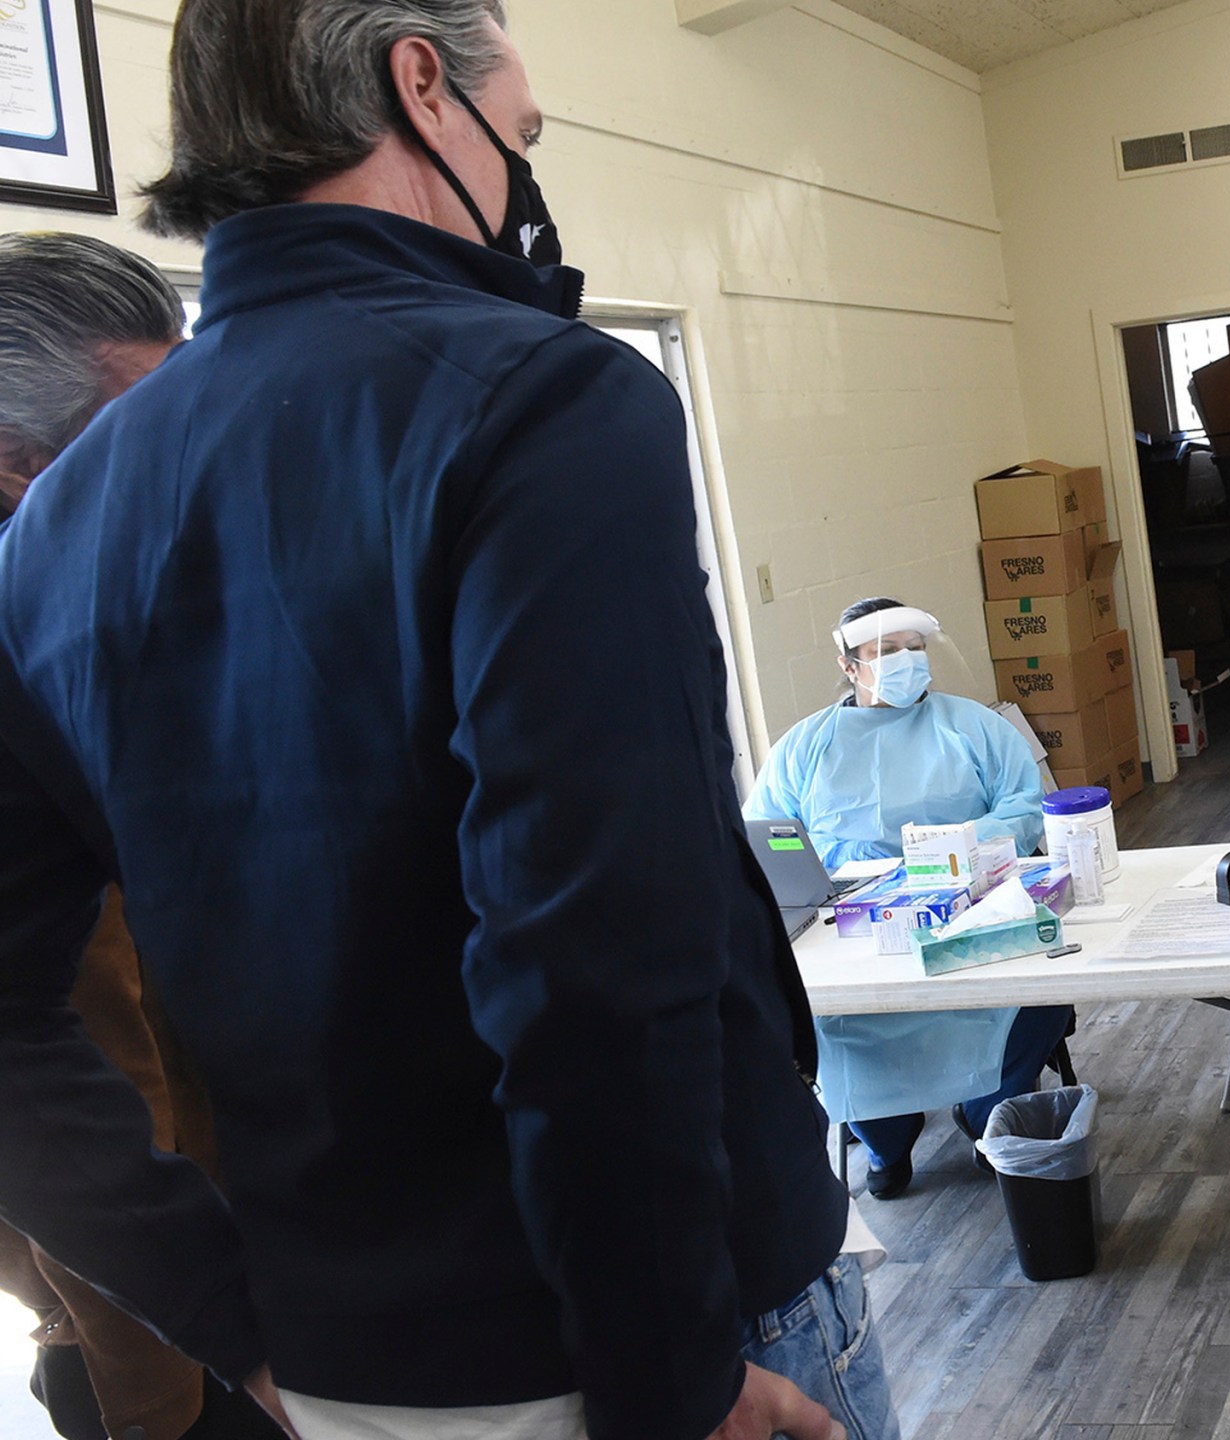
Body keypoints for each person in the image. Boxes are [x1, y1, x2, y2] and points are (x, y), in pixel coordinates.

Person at [0, 4, 894, 1439]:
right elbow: (596, 958)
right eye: (522, 134)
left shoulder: (54, 537)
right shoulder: (546, 401)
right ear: (421, 88)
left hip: (344, 1368)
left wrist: (230, 1317)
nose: (522, 177)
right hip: (666, 1340)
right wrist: (678, 1389)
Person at [0, 233, 284, 1440]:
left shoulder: (106, 594)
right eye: (143, 437)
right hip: (162, 1321)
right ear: (17, 464)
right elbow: (43, 1066)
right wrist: (233, 1349)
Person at [746, 597, 1073, 1200]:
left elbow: (1025, 809)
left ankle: (987, 1120)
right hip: (854, 921)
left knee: (1036, 995)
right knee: (830, 1015)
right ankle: (885, 1142)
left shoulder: (974, 725)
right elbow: (766, 835)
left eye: (914, 648)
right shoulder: (804, 746)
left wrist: (960, 849)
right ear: (850, 666)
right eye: (887, 651)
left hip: (973, 908)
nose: (907, 661)